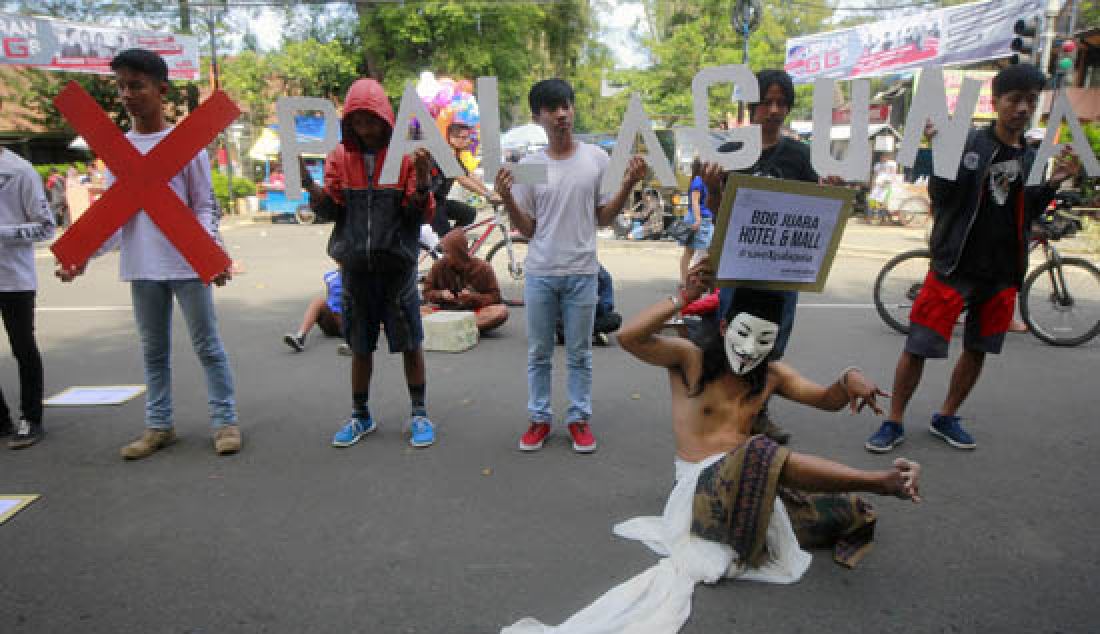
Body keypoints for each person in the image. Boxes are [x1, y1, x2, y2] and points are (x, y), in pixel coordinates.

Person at [503, 265, 921, 633]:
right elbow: (629, 337)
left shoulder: (772, 374)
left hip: (750, 486)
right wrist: (682, 298)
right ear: (724, 328)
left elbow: (826, 399)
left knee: (846, 512)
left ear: (773, 343)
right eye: (742, 333)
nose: (750, 348)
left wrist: (852, 377)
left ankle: (877, 489)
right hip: (698, 491)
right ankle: (880, 482)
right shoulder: (690, 360)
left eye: (764, 341)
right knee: (761, 451)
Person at [865, 64, 1080, 453]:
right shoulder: (967, 144)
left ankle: (946, 415)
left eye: (1030, 101)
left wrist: (1052, 182)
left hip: (1001, 271)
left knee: (978, 347)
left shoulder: (1031, 158)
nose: (1022, 108)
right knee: (919, 345)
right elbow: (944, 200)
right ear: (996, 102)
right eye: (1015, 99)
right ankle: (892, 420)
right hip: (954, 265)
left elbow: (1026, 209)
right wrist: (939, 156)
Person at [56, 49, 241, 460]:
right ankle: (160, 426)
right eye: (121, 86)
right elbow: (113, 217)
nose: (127, 94)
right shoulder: (117, 149)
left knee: (207, 346)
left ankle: (224, 421)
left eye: (136, 85)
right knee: (152, 352)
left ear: (162, 89)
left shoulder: (186, 144)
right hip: (141, 266)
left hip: (187, 263)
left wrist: (212, 253)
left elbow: (204, 205)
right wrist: (81, 257)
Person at [495, 78, 646, 453]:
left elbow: (603, 219)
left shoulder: (595, 158)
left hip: (582, 271)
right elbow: (528, 228)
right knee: (539, 352)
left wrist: (627, 185)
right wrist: (506, 199)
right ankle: (539, 420)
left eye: (566, 105)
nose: (562, 115)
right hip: (541, 272)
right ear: (538, 116)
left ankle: (578, 419)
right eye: (552, 108)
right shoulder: (531, 166)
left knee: (580, 353)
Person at [301, 78, 438, 449]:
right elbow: (331, 209)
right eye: (358, 121)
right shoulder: (339, 159)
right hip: (356, 271)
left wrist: (423, 182)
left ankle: (420, 413)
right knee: (360, 346)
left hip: (398, 270)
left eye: (372, 120)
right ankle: (361, 415)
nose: (366, 128)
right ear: (349, 122)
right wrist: (310, 187)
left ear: (386, 119)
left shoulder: (407, 159)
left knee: (411, 343)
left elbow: (418, 215)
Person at [701, 68, 833, 445]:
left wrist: (831, 194)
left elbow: (813, 210)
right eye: (767, 102)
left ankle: (758, 412)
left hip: (782, 270)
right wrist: (712, 191)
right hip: (739, 267)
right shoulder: (730, 152)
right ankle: (728, 411)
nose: (774, 110)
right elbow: (717, 212)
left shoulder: (799, 156)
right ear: (752, 105)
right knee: (734, 338)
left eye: (781, 102)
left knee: (770, 343)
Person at [0, 100, 55, 450]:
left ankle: (31, 418)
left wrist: (3, 233)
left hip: (14, 278)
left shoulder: (19, 171)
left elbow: (46, 228)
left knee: (23, 347)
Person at [422, 228, 509, 334]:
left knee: (501, 311)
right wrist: (441, 294)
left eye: (448, 252)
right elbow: (426, 292)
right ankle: (460, 328)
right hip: (445, 312)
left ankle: (456, 328)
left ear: (459, 252)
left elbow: (495, 297)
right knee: (418, 311)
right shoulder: (439, 266)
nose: (444, 255)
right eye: (444, 252)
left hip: (474, 313)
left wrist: (473, 297)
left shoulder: (483, 268)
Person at [428, 122, 500, 238]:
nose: (468, 141)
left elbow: (470, 176)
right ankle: (449, 246)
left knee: (469, 213)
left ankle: (453, 242)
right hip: (430, 204)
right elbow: (462, 179)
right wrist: (487, 195)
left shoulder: (454, 156)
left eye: (468, 137)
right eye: (464, 137)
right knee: (449, 241)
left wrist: (490, 192)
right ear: (451, 138)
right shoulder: (443, 154)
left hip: (440, 201)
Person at [283, 268, 347, 352]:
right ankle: (300, 337)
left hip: (351, 322)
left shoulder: (360, 276)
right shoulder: (331, 275)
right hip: (333, 321)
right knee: (318, 301)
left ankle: (353, 341)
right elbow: (331, 297)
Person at [679, 158, 713, 282]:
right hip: (698, 219)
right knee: (691, 252)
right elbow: (695, 201)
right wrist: (698, 219)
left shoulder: (703, 180)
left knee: (699, 252)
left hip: (704, 219)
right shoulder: (698, 180)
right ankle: (686, 281)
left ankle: (691, 280)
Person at [869, 151, 899, 221]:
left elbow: (893, 174)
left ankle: (883, 217)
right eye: (882, 157)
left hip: (887, 184)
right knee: (873, 200)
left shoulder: (892, 164)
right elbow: (875, 175)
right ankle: (874, 216)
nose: (882, 158)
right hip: (878, 184)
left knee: (883, 201)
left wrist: (889, 181)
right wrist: (873, 185)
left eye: (884, 157)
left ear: (888, 157)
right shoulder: (878, 165)